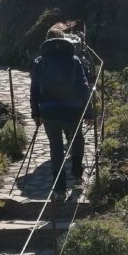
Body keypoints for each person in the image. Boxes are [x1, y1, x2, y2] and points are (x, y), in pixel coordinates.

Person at [30, 28, 93, 195]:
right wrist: (89, 112)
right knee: (77, 138)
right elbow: (84, 87)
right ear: (64, 41)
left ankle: (60, 189)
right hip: (73, 109)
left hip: (49, 111)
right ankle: (78, 175)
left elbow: (35, 89)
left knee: (56, 147)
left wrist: (35, 113)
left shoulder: (39, 62)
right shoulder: (74, 60)